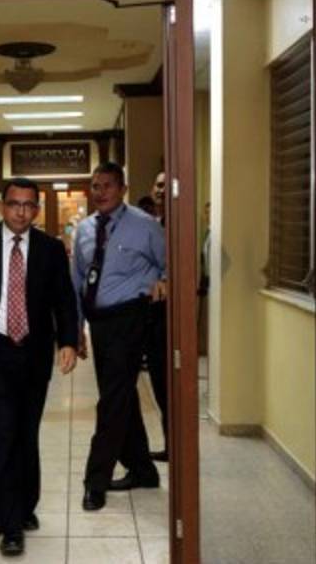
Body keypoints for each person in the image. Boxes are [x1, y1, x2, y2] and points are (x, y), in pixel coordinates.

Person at [0, 177, 79, 557]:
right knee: (3, 435)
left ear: (37, 210)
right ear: (2, 206)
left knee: (27, 434)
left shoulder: (50, 249)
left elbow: (64, 298)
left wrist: (69, 341)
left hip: (34, 354)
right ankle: (9, 526)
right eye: (14, 204)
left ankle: (26, 506)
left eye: (29, 206)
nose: (21, 212)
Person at [73, 162, 166, 511]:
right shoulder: (84, 229)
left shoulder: (146, 226)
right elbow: (77, 280)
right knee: (120, 394)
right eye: (95, 186)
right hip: (99, 323)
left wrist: (165, 280)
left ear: (123, 189)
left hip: (132, 318)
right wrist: (76, 327)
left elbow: (172, 263)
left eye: (108, 185)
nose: (101, 192)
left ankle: (95, 480)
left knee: (112, 399)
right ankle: (143, 470)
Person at [145, 171, 171, 462]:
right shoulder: (153, 224)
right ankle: (170, 444)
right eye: (158, 185)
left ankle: (175, 445)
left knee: (168, 386)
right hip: (151, 316)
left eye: (166, 185)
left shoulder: (179, 224)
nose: (161, 190)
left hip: (169, 319)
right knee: (159, 386)